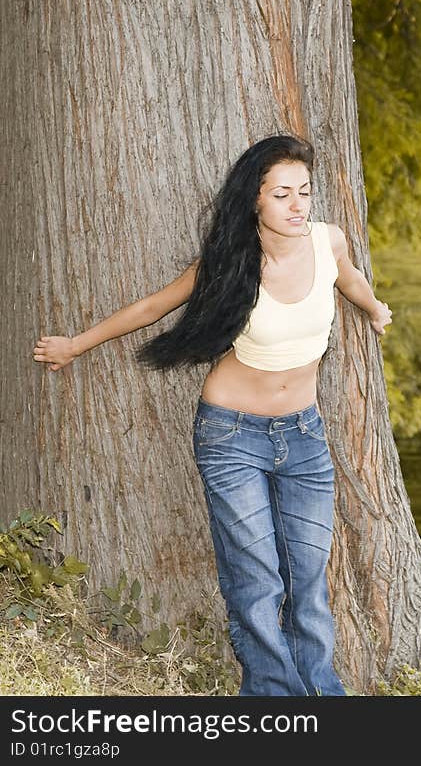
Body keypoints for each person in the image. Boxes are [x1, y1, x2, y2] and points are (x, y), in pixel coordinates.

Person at [31, 133, 392, 696]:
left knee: (309, 581)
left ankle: (322, 697)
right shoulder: (233, 260)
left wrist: (373, 308)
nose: (299, 206)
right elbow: (155, 305)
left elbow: (348, 277)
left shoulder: (329, 242)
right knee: (256, 582)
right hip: (232, 437)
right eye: (282, 195)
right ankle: (274, 702)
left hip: (305, 438)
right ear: (255, 199)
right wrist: (76, 344)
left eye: (305, 192)